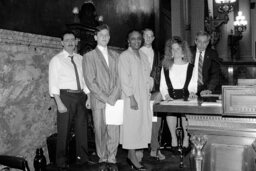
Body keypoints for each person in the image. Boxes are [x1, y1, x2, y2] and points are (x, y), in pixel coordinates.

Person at [49, 31, 90, 170]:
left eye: (72, 40)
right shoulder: (56, 60)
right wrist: (59, 102)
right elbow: (53, 82)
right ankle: (61, 163)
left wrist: (88, 96)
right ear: (62, 42)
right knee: (64, 131)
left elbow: (85, 80)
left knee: (82, 129)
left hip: (81, 96)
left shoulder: (80, 59)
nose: (70, 42)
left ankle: (83, 159)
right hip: (65, 97)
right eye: (67, 40)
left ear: (76, 41)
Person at [83, 24, 121, 171]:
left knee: (114, 130)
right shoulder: (89, 56)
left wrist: (114, 96)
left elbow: (120, 79)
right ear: (95, 37)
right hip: (99, 100)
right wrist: (107, 98)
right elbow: (90, 82)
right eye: (101, 35)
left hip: (114, 99)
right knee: (100, 130)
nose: (104, 37)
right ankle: (102, 158)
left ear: (109, 37)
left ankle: (112, 158)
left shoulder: (116, 56)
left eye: (106, 35)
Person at [118, 30, 153, 170]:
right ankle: (132, 156)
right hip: (131, 96)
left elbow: (147, 76)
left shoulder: (143, 56)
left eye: (139, 39)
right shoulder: (124, 56)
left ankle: (134, 156)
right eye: (133, 39)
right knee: (131, 126)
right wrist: (131, 97)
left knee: (140, 125)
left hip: (143, 96)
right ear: (128, 41)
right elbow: (124, 79)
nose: (137, 41)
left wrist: (149, 88)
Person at [160, 36, 197, 148]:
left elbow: (193, 84)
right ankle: (173, 137)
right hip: (170, 97)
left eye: (178, 49)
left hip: (186, 97)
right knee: (170, 112)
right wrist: (166, 96)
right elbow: (163, 85)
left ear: (183, 51)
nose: (175, 51)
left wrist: (192, 92)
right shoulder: (166, 67)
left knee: (185, 115)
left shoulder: (190, 67)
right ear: (170, 52)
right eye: (173, 49)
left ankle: (186, 137)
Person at [140, 28, 165, 160]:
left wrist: (161, 91)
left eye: (151, 36)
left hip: (155, 90)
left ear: (154, 38)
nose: (148, 38)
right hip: (140, 91)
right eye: (146, 36)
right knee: (140, 120)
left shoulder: (158, 54)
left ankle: (155, 148)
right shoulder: (137, 52)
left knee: (156, 120)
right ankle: (138, 148)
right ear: (142, 37)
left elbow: (162, 73)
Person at [191, 31, 221, 96]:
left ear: (208, 42)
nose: (202, 44)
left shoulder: (213, 54)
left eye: (204, 42)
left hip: (205, 89)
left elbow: (215, 74)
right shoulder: (189, 52)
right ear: (195, 41)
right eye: (199, 42)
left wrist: (209, 89)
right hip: (190, 89)